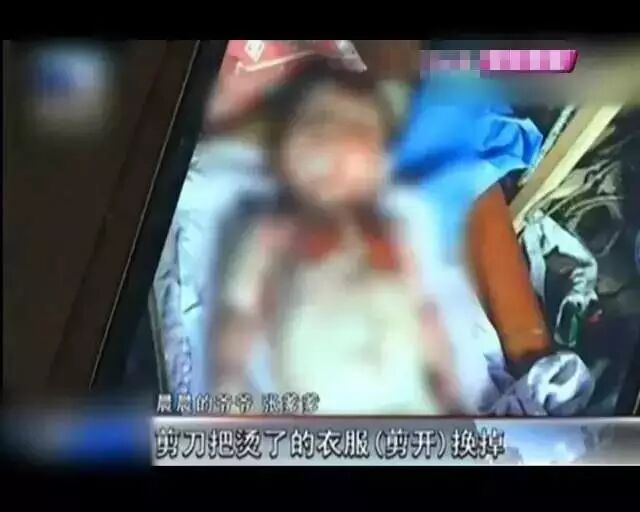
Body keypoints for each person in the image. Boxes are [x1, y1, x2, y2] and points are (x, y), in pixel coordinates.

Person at [214, 61, 458, 414]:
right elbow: (239, 313)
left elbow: (424, 309)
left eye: (358, 131)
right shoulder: (273, 235)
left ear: (382, 166)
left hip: (405, 395)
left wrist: (446, 385)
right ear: (278, 154)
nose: (334, 146)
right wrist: (230, 380)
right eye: (317, 125)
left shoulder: (393, 230)